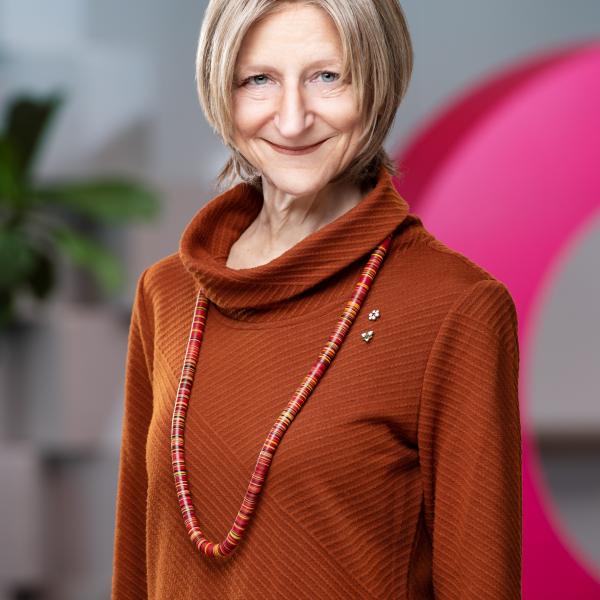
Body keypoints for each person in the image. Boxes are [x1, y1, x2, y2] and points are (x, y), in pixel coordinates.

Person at [111, 1, 522, 598]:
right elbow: (136, 568)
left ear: (379, 83)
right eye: (259, 80)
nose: (293, 118)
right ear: (219, 91)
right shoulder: (167, 293)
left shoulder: (455, 309)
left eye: (327, 77)